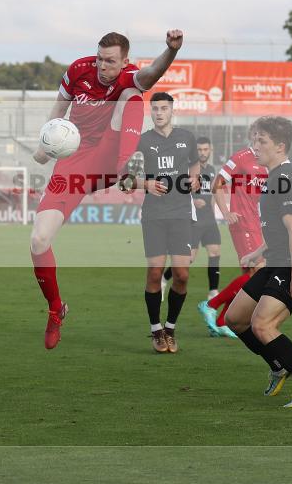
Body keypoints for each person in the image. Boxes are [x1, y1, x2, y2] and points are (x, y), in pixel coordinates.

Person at [30, 30, 183, 349]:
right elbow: (58, 110)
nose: (102, 66)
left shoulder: (129, 76)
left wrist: (170, 51)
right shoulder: (77, 70)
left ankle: (129, 166)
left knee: (130, 92)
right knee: (38, 240)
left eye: (110, 61)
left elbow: (150, 75)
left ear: (124, 60)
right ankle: (56, 308)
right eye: (99, 58)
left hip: (110, 157)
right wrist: (46, 144)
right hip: (75, 162)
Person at [224, 116, 292, 408]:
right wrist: (258, 252)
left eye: (262, 141)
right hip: (277, 260)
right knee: (234, 319)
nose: (255, 146)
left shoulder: (285, 178)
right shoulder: (273, 178)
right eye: (254, 139)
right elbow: (281, 230)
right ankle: (278, 366)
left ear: (280, 146)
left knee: (263, 325)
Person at [132, 93, 200, 353]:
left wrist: (195, 179)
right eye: (155, 109)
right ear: (151, 112)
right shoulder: (142, 141)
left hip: (182, 213)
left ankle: (171, 327)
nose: (159, 112)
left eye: (164, 108)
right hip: (154, 216)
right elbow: (123, 180)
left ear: (172, 110)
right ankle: (156, 330)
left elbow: (195, 166)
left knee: (182, 275)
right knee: (155, 273)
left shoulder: (186, 138)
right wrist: (145, 183)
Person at [196, 125, 267, 338]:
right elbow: (216, 184)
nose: (259, 140)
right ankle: (211, 304)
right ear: (251, 137)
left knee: (249, 277)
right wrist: (226, 212)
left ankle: (221, 321)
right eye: (257, 135)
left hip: (257, 224)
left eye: (263, 136)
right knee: (259, 273)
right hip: (242, 224)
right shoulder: (241, 157)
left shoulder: (266, 163)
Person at [161, 137, 221, 304]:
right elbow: (175, 192)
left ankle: (213, 292)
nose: (202, 153)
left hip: (209, 220)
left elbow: (213, 194)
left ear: (210, 150)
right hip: (193, 220)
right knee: (188, 259)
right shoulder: (187, 170)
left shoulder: (211, 169)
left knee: (215, 252)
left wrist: (214, 210)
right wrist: (193, 201)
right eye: (199, 150)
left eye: (205, 150)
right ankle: (164, 279)